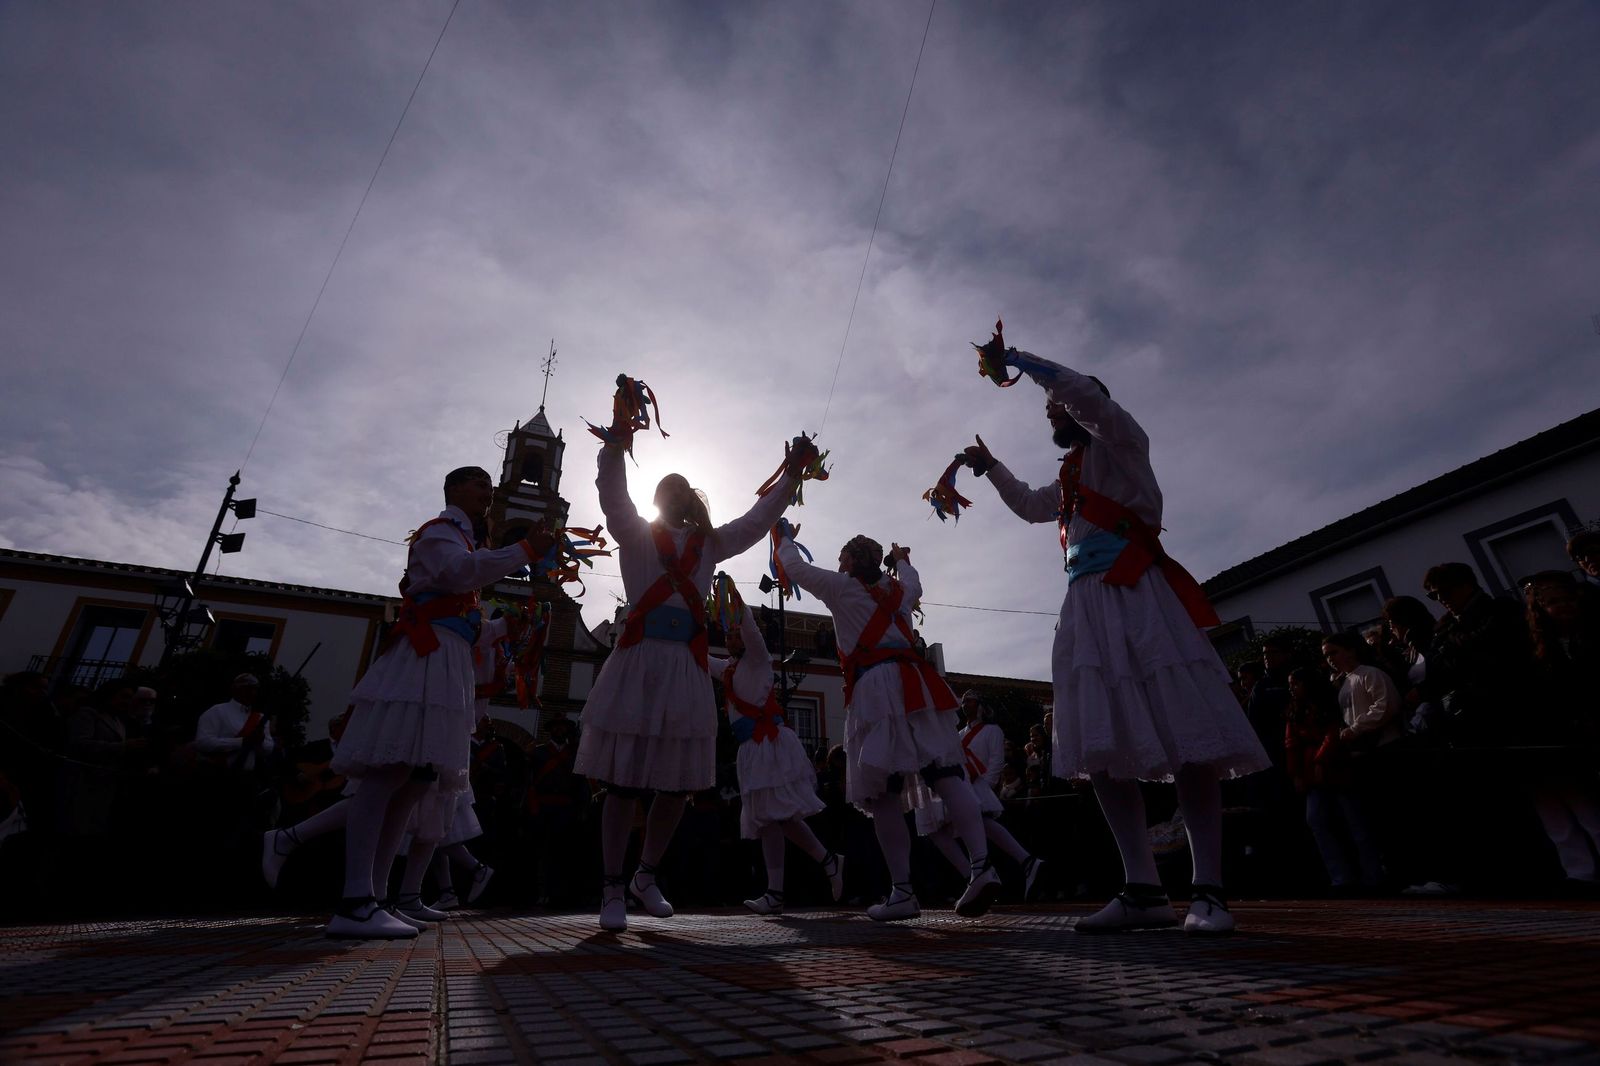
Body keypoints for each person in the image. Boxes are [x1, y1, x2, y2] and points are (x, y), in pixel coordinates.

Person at [961, 341, 1267, 934]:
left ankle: (1210, 890)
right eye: (1050, 407)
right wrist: (991, 467)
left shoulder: (1124, 443)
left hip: (1138, 594)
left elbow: (1081, 396)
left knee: (1189, 737)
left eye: (1058, 405)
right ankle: (1143, 889)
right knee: (1098, 742)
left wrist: (1021, 362)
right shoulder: (1071, 477)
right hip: (1086, 605)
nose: (1051, 413)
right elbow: (1028, 506)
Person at [577, 431, 803, 932]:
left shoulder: (711, 545)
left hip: (685, 665)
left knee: (677, 786)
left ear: (693, 501)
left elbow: (757, 519)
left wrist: (791, 475)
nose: (676, 494)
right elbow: (612, 495)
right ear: (657, 499)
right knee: (623, 783)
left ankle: (646, 875)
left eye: (684, 489)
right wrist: (614, 446)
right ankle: (612, 885)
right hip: (638, 662)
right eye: (667, 489)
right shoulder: (634, 534)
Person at [325, 465, 555, 939]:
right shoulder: (441, 532)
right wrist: (525, 550)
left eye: (491, 488)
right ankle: (355, 898)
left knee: (414, 781)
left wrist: (500, 628)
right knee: (389, 774)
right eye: (479, 485)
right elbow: (457, 575)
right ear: (453, 489)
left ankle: (378, 896)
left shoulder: (464, 541)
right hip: (424, 658)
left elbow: (462, 614)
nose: (487, 494)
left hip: (445, 661)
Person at [775, 530, 1002, 921]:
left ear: (849, 560)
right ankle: (982, 866)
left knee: (882, 792)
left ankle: (902, 891)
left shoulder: (839, 587)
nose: (840, 561)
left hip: (875, 686)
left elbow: (793, 567)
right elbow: (913, 580)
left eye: (843, 555)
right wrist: (900, 560)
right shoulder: (899, 591)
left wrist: (782, 539)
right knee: (946, 774)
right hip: (918, 683)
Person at [707, 577, 843, 915]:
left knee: (774, 817)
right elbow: (701, 657)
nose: (731, 635)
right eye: (729, 632)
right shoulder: (730, 668)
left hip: (768, 741)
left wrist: (735, 601)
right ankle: (813, 869)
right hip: (751, 748)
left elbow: (751, 629)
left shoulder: (756, 657)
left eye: (734, 632)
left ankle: (788, 885)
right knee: (772, 818)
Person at [914, 690, 1045, 901]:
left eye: (971, 701)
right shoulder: (958, 734)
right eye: (963, 701)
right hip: (960, 783)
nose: (965, 705)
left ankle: (995, 872)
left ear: (981, 705)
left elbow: (995, 761)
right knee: (942, 829)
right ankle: (998, 871)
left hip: (977, 785)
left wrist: (986, 786)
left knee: (967, 825)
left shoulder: (993, 730)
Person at [194, 674, 274, 773]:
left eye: (254, 689)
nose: (252, 693)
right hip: (214, 772)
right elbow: (202, 743)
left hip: (246, 778)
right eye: (247, 688)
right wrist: (241, 742)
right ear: (235, 689)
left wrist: (260, 742)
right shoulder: (217, 711)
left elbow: (269, 749)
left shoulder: (260, 718)